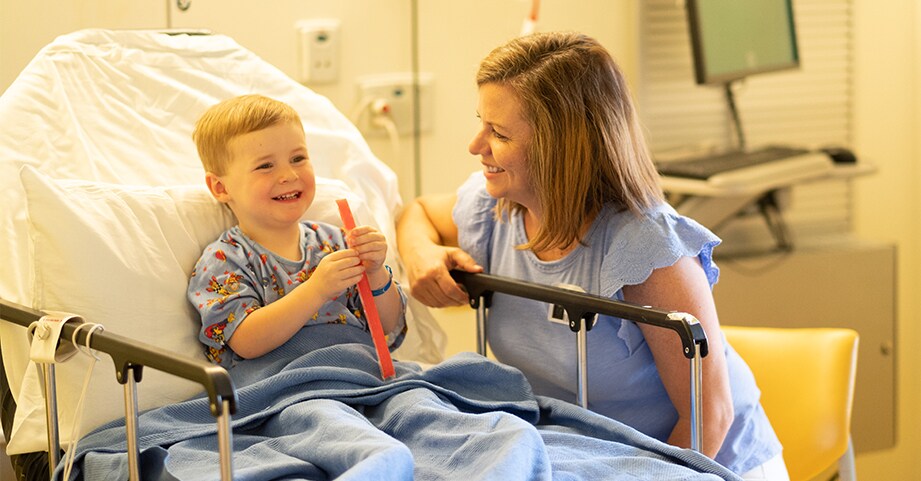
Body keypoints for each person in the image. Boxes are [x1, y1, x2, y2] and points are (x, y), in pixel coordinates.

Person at [396, 32, 787, 480]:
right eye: (481, 122)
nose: (475, 145)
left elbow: (709, 419)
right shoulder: (493, 210)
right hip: (583, 461)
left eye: (498, 133)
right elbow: (418, 211)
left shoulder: (645, 246)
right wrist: (421, 253)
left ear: (558, 149)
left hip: (698, 465)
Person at [187, 94, 407, 368]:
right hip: (290, 388)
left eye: (298, 158)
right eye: (265, 166)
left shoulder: (337, 242)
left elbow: (386, 325)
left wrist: (376, 272)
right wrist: (316, 290)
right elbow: (245, 341)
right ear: (220, 187)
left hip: (363, 373)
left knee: (445, 389)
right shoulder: (224, 261)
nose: (289, 175)